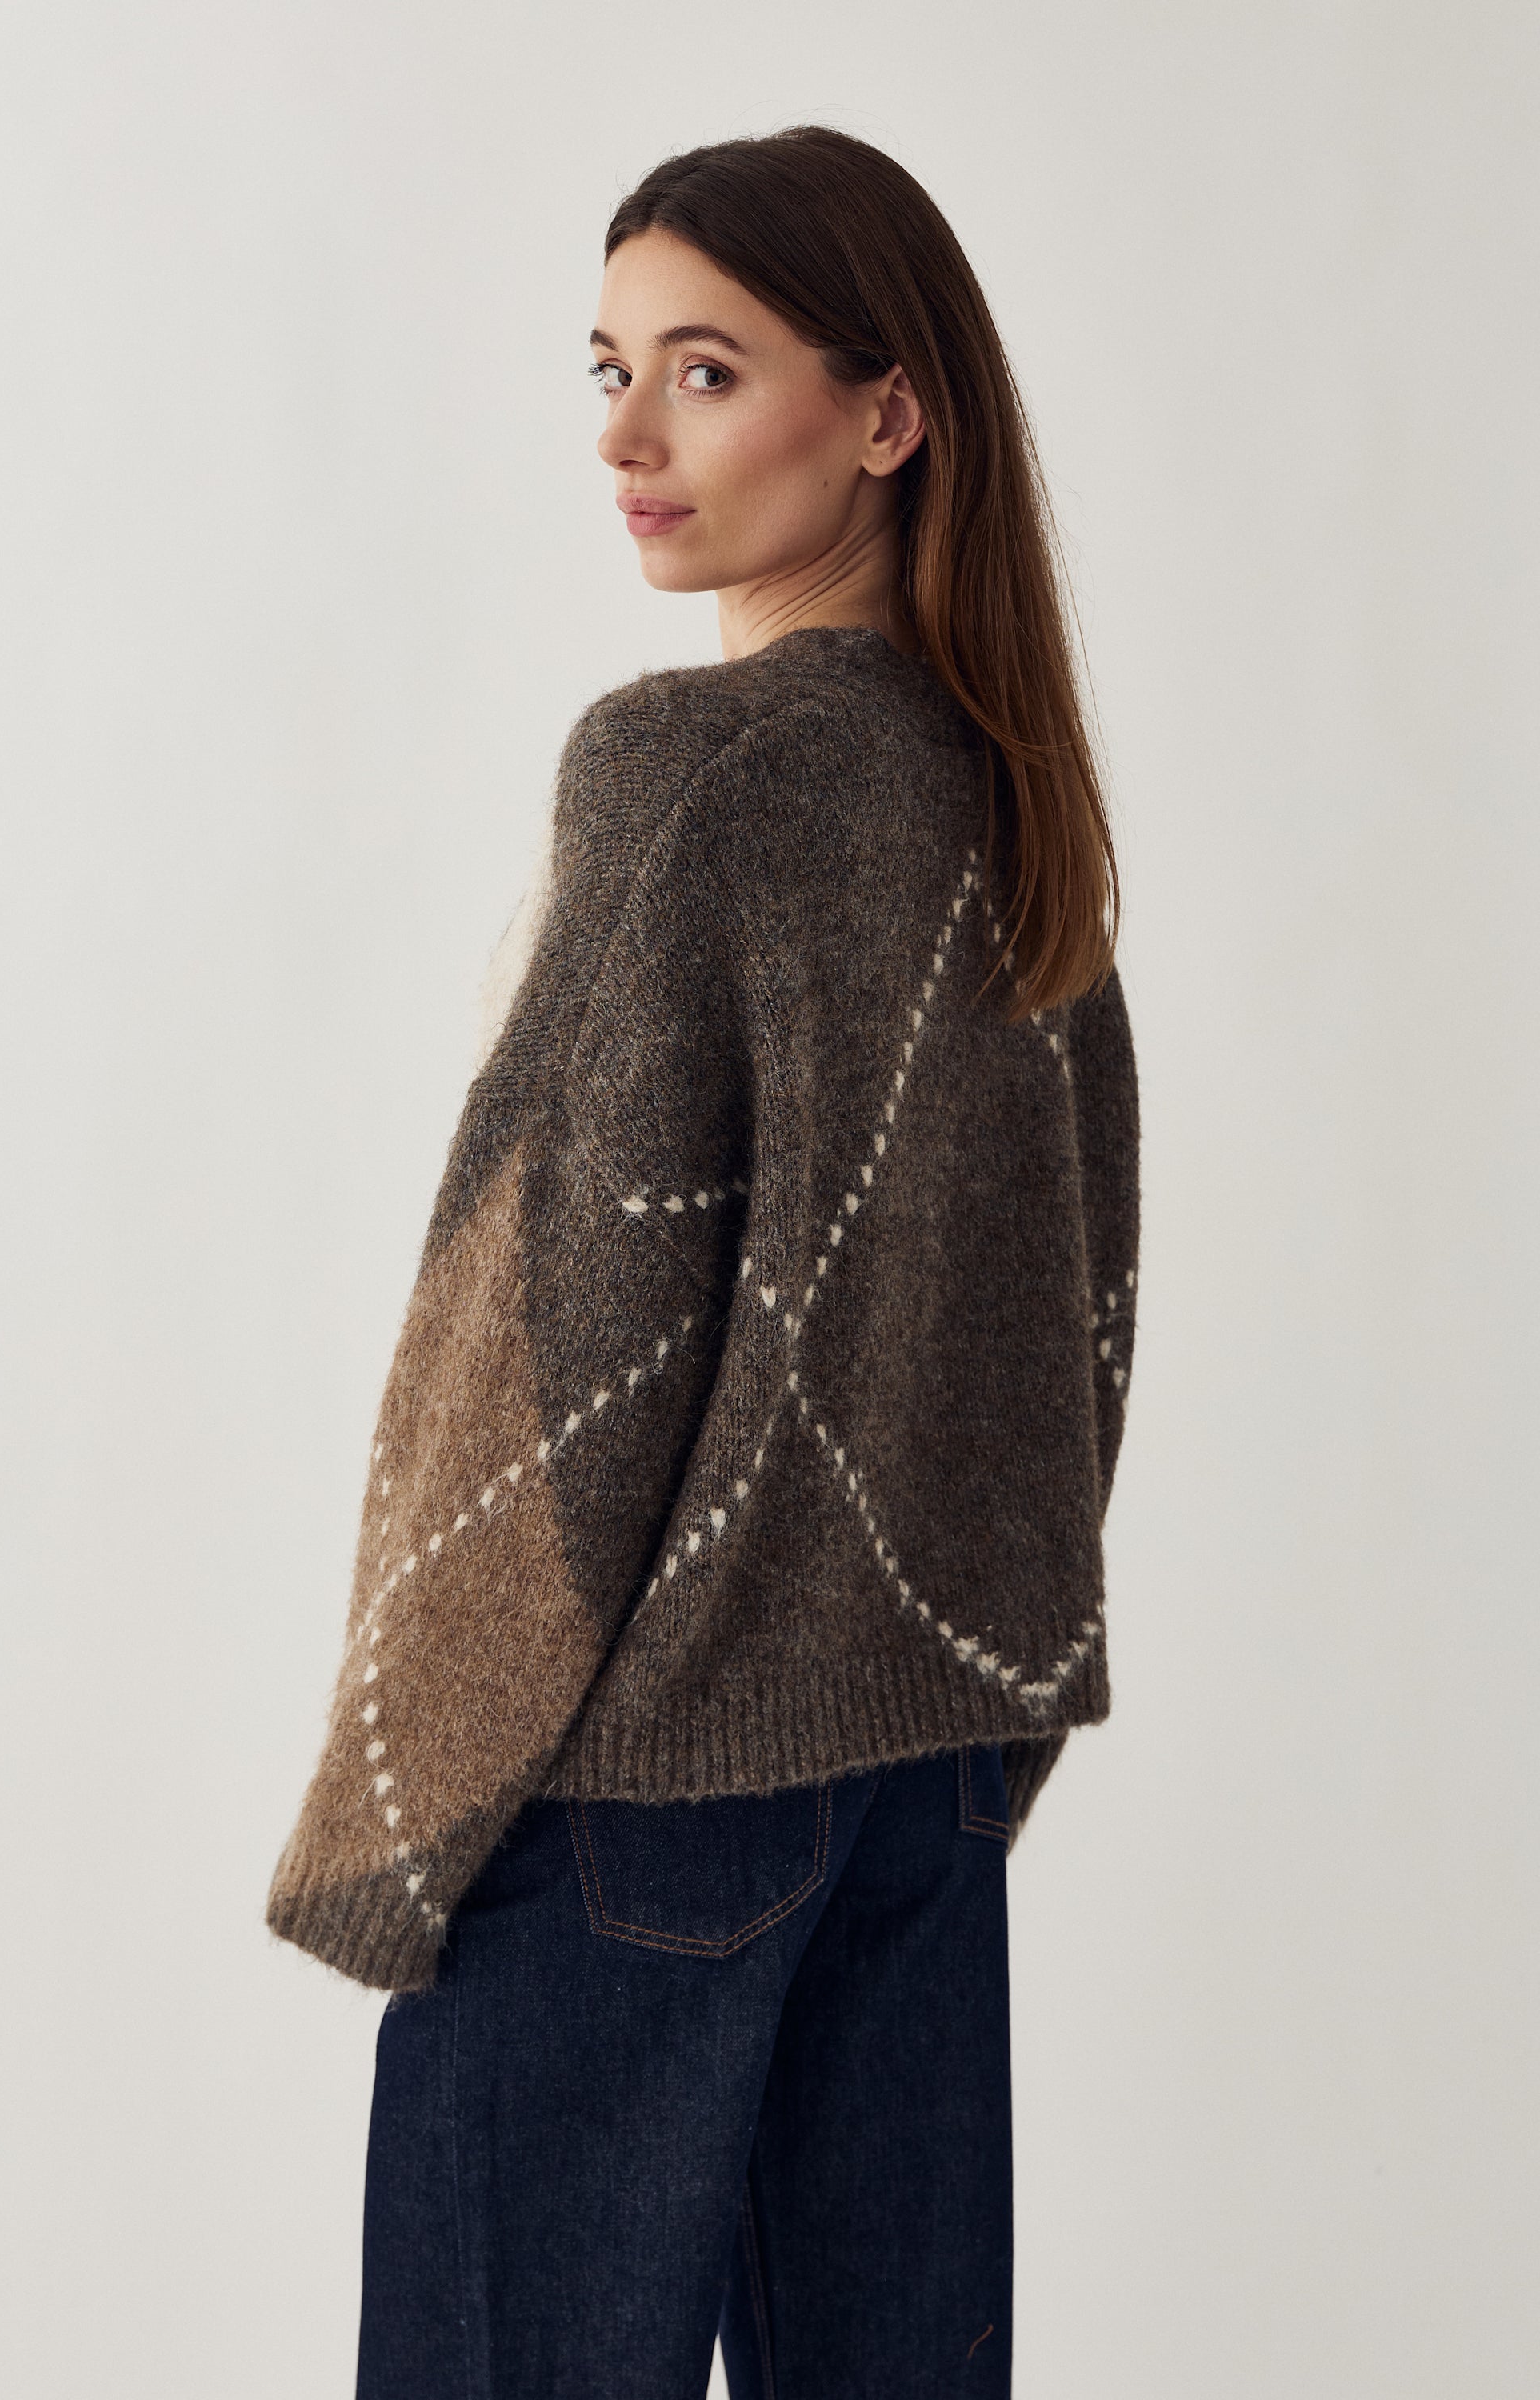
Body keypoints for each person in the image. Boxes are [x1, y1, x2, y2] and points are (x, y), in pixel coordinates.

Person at [267, 125, 1140, 2400]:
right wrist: (975, 1707)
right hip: (927, 1773)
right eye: (610, 369)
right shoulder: (1018, 804)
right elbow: (1084, 1317)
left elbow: (546, 1330)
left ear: (889, 411)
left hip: (646, 1789)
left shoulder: (690, 775)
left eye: (707, 371)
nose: (627, 439)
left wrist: (400, 1801)